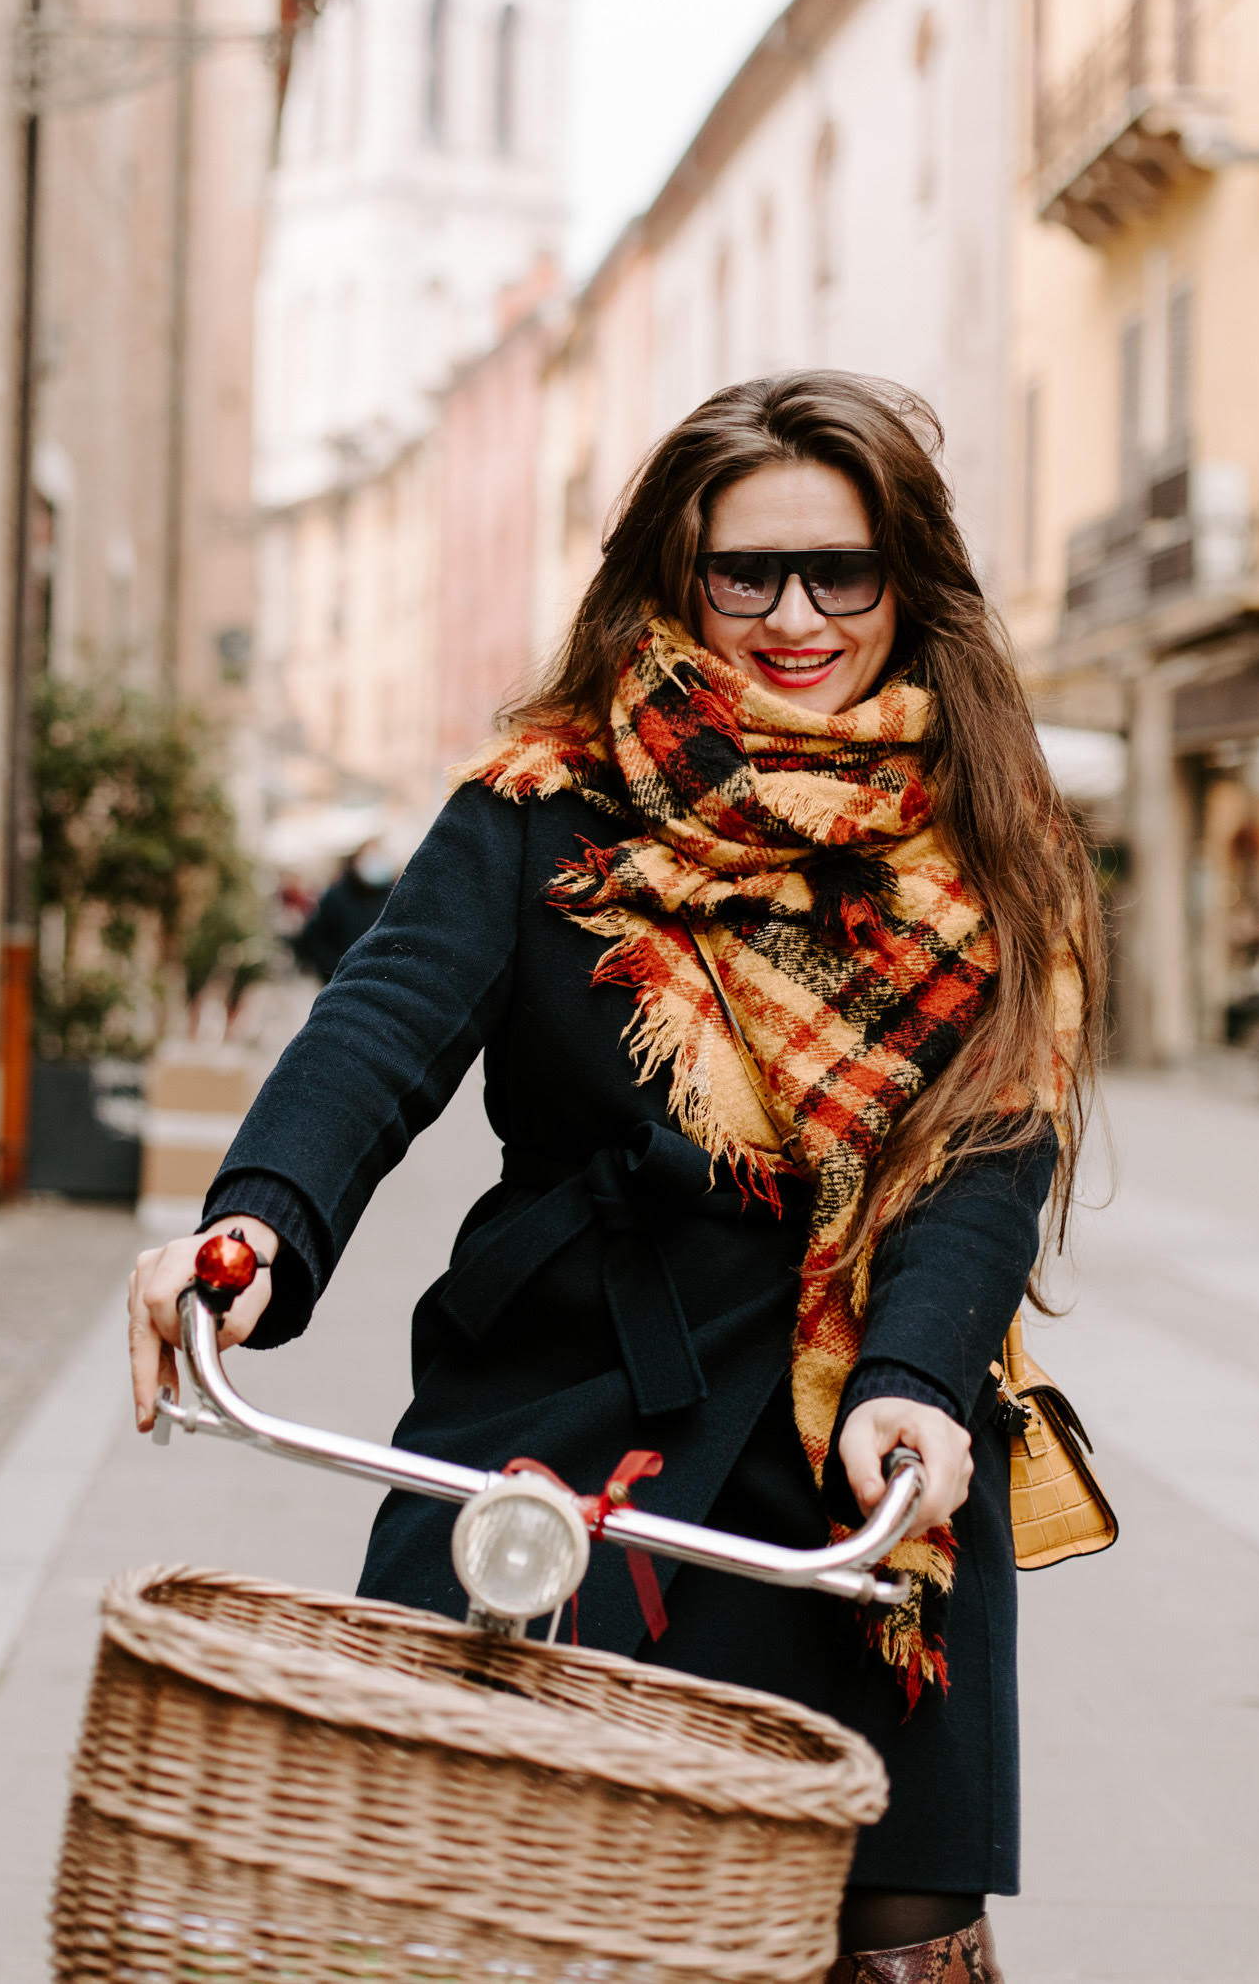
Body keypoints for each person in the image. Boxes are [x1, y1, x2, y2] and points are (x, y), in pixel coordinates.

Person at [129, 372, 1100, 1984]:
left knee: (891, 1926)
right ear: (676, 577)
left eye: (838, 572)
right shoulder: (542, 799)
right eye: (746, 572)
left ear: (902, 581)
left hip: (858, 1445)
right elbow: (375, 1029)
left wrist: (918, 1379)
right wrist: (253, 1228)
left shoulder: (989, 844)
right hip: (562, 1415)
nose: (794, 614)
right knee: (461, 1882)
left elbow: (985, 1156)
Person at [290, 842, 395, 984]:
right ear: (356, 861)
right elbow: (314, 938)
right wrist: (335, 969)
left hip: (383, 980)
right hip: (345, 983)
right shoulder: (336, 896)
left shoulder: (390, 894)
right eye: (370, 857)